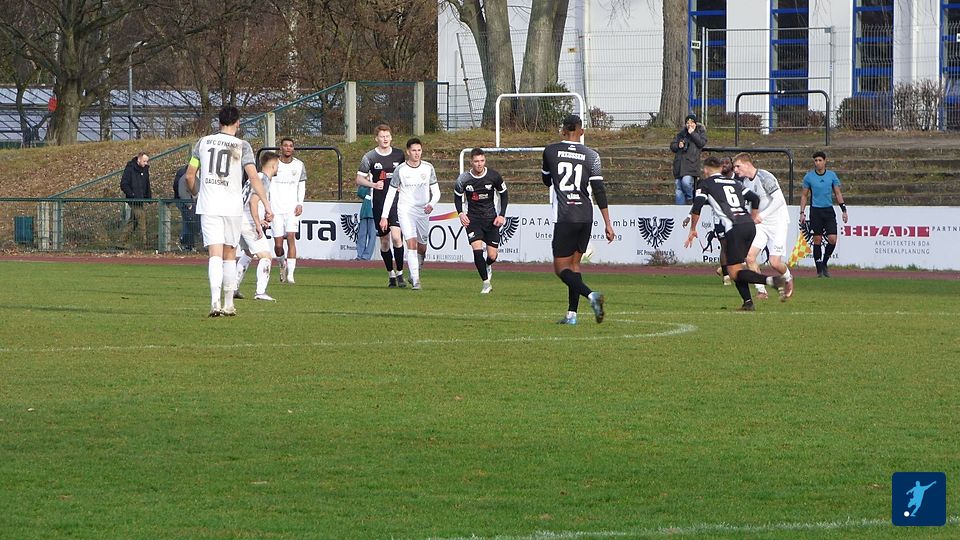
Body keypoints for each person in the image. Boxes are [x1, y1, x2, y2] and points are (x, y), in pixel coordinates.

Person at [185, 105, 273, 317]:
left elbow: (189, 175)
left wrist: (197, 193)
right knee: (230, 254)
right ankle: (229, 304)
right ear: (238, 123)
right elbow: (253, 177)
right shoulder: (242, 145)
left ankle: (214, 303)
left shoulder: (203, 142)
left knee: (214, 254)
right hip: (232, 207)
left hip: (209, 205)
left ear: (219, 122)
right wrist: (267, 205)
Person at [684, 156, 786, 311]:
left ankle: (772, 281)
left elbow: (697, 205)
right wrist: (753, 217)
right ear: (720, 169)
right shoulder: (734, 182)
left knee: (734, 272)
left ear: (705, 170)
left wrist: (693, 229)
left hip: (735, 227)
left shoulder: (705, 183)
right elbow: (754, 198)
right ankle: (748, 302)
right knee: (737, 267)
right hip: (749, 226)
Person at [542, 114, 614, 325]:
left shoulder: (550, 151)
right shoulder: (592, 155)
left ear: (563, 130)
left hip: (566, 215)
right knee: (574, 265)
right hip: (586, 215)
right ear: (582, 131)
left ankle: (592, 296)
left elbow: (546, 180)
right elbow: (599, 190)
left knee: (561, 269)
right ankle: (571, 315)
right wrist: (608, 223)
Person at [379, 138, 440, 290]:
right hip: (406, 210)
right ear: (408, 152)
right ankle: (417, 281)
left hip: (423, 210)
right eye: (414, 150)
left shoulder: (428, 168)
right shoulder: (401, 170)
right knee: (411, 244)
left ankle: (415, 272)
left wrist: (431, 204)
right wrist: (384, 216)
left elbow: (436, 192)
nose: (417, 153)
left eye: (419, 150)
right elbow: (390, 194)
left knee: (422, 247)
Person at [734, 153, 795, 299]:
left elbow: (779, 200)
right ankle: (761, 291)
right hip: (761, 225)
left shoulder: (764, 177)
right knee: (750, 257)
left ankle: (788, 278)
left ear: (747, 164)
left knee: (775, 263)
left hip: (778, 223)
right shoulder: (746, 182)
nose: (735, 170)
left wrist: (762, 215)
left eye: (738, 166)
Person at [356, 124, 407, 287]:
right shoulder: (370, 157)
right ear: (376, 139)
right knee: (385, 241)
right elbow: (359, 179)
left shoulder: (399, 154)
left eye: (387, 136)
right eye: (382, 136)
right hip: (378, 203)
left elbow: (406, 174)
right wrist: (373, 185)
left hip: (396, 203)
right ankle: (391, 274)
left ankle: (400, 273)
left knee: (397, 238)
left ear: (391, 137)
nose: (385, 139)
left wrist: (402, 186)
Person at [454, 148, 508, 294]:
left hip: (491, 219)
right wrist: (460, 213)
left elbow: (504, 195)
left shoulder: (494, 176)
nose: (479, 164)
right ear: (471, 162)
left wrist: (502, 215)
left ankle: (487, 265)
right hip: (473, 219)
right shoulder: (463, 179)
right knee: (477, 250)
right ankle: (486, 283)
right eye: (476, 161)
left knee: (492, 256)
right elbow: (457, 197)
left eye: (482, 161)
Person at [235, 151, 280, 302]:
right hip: (248, 222)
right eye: (277, 165)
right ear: (273, 165)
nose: (278, 168)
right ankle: (260, 292)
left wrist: (259, 219)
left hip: (239, 219)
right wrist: (256, 223)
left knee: (248, 253)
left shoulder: (254, 178)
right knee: (266, 256)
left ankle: (234, 288)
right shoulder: (264, 180)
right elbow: (253, 202)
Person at [800, 151, 848, 277]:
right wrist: (802, 212)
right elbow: (804, 195)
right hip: (815, 211)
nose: (818, 163)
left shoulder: (831, 175)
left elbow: (837, 193)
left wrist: (843, 210)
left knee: (832, 239)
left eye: (820, 160)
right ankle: (819, 270)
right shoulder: (809, 177)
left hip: (828, 210)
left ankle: (824, 262)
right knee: (817, 239)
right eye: (816, 161)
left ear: (825, 161)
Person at [270, 137, 307, 284]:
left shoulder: (299, 165)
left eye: (290, 146)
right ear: (281, 148)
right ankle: (282, 264)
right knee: (278, 245)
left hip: (291, 209)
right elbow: (265, 183)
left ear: (293, 148)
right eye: (285, 145)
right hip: (275, 208)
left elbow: (301, 186)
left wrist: (300, 204)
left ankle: (291, 274)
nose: (288, 148)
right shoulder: (273, 164)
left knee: (291, 237)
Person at [669, 114, 707, 205]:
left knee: (686, 182)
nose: (689, 125)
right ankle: (679, 208)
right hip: (679, 165)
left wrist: (692, 133)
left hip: (691, 165)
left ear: (695, 124)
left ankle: (690, 199)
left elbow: (701, 143)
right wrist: (678, 145)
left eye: (692, 123)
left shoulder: (700, 132)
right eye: (687, 123)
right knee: (678, 188)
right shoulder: (681, 134)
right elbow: (672, 146)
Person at [118, 152, 151, 249]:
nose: (146, 163)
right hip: (133, 199)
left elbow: (147, 184)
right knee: (141, 217)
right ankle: (144, 243)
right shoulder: (130, 168)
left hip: (140, 199)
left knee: (133, 221)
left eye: (147, 161)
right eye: (144, 161)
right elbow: (124, 184)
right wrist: (132, 194)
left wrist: (148, 197)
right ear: (139, 160)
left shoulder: (145, 169)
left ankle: (121, 242)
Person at [173, 164, 198, 251]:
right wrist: (189, 204)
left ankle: (189, 244)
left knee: (189, 222)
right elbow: (182, 192)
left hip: (189, 202)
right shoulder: (184, 177)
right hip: (187, 203)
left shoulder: (183, 175)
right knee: (188, 223)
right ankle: (186, 243)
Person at [355, 185, 377, 260]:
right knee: (362, 235)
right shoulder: (367, 185)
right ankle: (360, 255)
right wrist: (366, 184)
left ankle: (366, 256)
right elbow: (360, 193)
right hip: (364, 213)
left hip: (374, 214)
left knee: (372, 236)